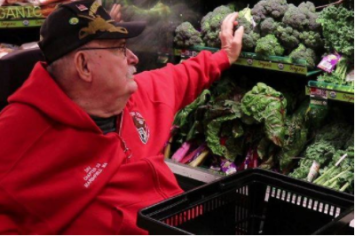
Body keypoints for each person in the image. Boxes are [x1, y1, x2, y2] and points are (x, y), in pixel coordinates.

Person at [0, 0, 244, 234]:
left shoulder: (136, 95)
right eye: (119, 49)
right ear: (84, 65)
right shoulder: (16, 135)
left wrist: (225, 55)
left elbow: (183, 76)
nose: (133, 57)